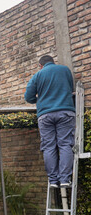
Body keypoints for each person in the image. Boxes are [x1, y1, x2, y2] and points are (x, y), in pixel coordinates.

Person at [24, 55, 75, 188]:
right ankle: (64, 180)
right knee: (65, 145)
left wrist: (41, 100)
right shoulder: (65, 70)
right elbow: (70, 88)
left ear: (40, 65)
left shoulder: (37, 75)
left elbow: (28, 97)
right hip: (65, 111)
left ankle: (53, 181)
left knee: (48, 147)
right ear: (53, 62)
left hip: (45, 115)